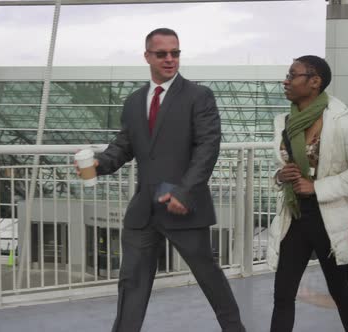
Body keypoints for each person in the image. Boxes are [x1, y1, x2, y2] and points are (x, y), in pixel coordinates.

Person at [91, 28, 246, 332]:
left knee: (210, 279)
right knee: (131, 285)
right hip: (143, 211)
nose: (170, 59)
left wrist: (185, 192)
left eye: (175, 53)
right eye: (162, 54)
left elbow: (207, 147)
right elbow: (124, 146)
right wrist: (98, 163)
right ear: (147, 56)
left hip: (183, 207)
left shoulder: (199, 96)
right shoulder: (134, 102)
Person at [267, 55, 348, 332]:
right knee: (282, 295)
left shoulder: (341, 123)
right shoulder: (285, 123)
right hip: (296, 217)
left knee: (340, 293)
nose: (286, 81)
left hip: (329, 219)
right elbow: (280, 168)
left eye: (293, 75)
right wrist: (281, 176)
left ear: (315, 82)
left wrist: (317, 187)